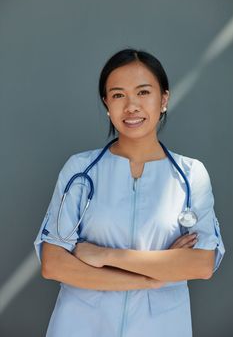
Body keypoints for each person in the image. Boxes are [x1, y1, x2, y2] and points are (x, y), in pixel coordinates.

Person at [34, 48, 225, 337]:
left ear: (163, 100)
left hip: (160, 328)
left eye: (143, 92)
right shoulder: (80, 170)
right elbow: (54, 264)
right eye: (118, 95)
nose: (131, 106)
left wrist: (104, 255)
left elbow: (201, 264)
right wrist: (151, 278)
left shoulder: (190, 174)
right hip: (81, 326)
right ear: (107, 105)